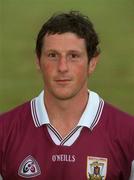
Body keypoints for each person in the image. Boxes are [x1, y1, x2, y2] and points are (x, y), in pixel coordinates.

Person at [0, 11, 134, 180]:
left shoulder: (129, 134)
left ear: (92, 63)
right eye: (52, 55)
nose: (62, 67)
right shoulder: (4, 131)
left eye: (73, 56)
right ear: (37, 61)